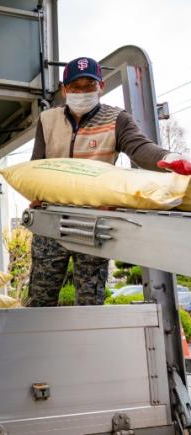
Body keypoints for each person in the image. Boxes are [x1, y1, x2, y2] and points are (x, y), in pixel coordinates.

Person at [28, 56, 191, 307]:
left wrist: (170, 158)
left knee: (91, 303)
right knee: (40, 300)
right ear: (64, 90)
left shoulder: (116, 119)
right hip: (50, 220)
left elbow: (141, 148)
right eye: (75, 87)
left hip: (93, 223)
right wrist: (34, 193)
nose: (83, 92)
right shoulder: (48, 120)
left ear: (101, 86)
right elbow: (35, 165)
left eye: (89, 86)